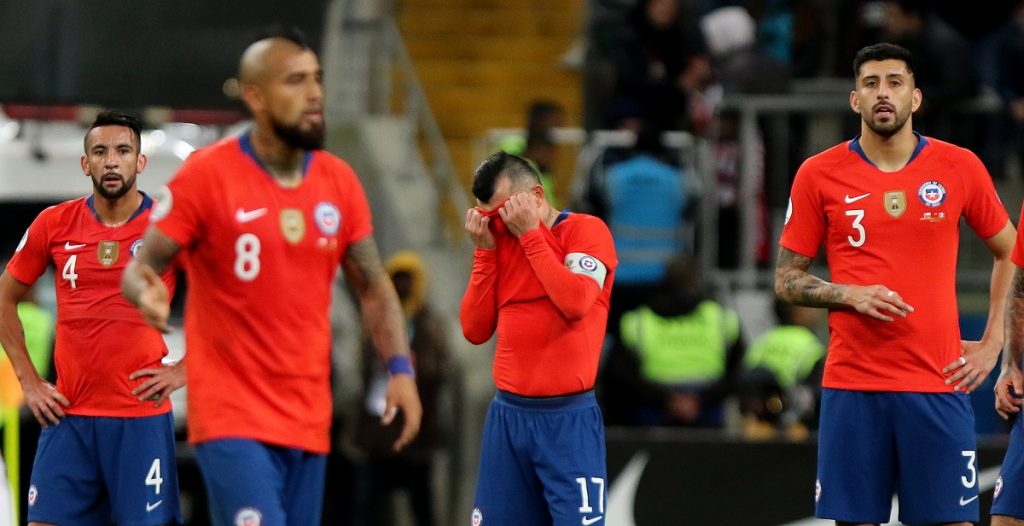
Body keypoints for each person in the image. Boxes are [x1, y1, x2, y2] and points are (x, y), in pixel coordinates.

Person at [120, 29, 422, 526]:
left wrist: (401, 372)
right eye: (296, 80)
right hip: (231, 415)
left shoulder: (338, 181)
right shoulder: (207, 175)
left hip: (307, 417)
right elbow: (141, 267)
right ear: (256, 97)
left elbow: (373, 287)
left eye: (318, 80)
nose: (315, 93)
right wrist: (144, 293)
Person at [775, 42, 1015, 525]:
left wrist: (995, 341)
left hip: (937, 384)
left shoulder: (958, 166)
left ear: (916, 97)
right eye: (871, 83)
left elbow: (1012, 250)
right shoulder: (817, 174)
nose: (883, 93)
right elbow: (786, 279)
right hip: (853, 386)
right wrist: (847, 294)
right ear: (855, 100)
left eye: (894, 82)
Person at [0, 110, 185, 525]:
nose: (112, 160)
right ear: (86, 164)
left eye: (123, 150)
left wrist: (185, 370)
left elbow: (225, 298)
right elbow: (3, 298)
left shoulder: (167, 227)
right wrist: (29, 381)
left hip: (139, 420)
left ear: (140, 162)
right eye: (100, 151)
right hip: (69, 416)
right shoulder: (54, 222)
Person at [461, 152, 617, 525]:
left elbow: (577, 301)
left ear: (534, 195)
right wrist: (484, 255)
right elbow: (474, 330)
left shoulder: (585, 231)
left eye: (503, 213)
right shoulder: (501, 244)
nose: (497, 225)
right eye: (488, 217)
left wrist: (531, 235)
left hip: (567, 423)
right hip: (508, 420)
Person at [351, 250, 451, 526]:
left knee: (422, 505)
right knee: (367, 504)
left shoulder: (429, 323)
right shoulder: (375, 321)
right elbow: (362, 366)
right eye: (397, 279)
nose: (402, 286)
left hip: (417, 425)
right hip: (378, 424)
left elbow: (440, 368)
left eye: (408, 279)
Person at [613, 255, 744, 428]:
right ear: (696, 281)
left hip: (654, 410)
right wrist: (698, 401)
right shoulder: (721, 317)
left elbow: (620, 375)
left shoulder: (637, 321)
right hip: (708, 410)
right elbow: (739, 370)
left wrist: (668, 400)